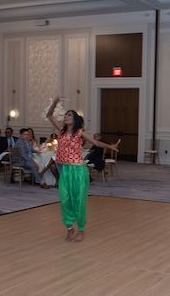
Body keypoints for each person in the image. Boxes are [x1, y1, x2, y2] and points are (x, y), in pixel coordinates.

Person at [46, 96, 119, 243]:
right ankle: (69, 228)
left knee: (78, 201)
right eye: (66, 114)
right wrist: (54, 102)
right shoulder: (61, 130)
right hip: (65, 170)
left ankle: (80, 229)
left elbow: (96, 142)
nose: (66, 116)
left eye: (69, 115)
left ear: (75, 119)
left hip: (78, 171)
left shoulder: (80, 133)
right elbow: (49, 115)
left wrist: (110, 146)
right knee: (65, 200)